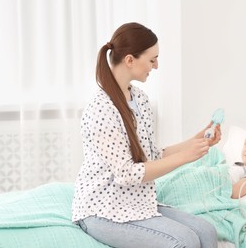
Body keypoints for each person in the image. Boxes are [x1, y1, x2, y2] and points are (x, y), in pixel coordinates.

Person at [71, 22, 221, 248]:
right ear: (130, 60)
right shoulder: (101, 108)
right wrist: (185, 157)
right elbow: (127, 174)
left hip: (137, 202)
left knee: (206, 231)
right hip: (103, 209)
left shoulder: (139, 98)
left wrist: (196, 141)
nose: (157, 65)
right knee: (184, 241)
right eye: (152, 59)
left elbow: (152, 154)